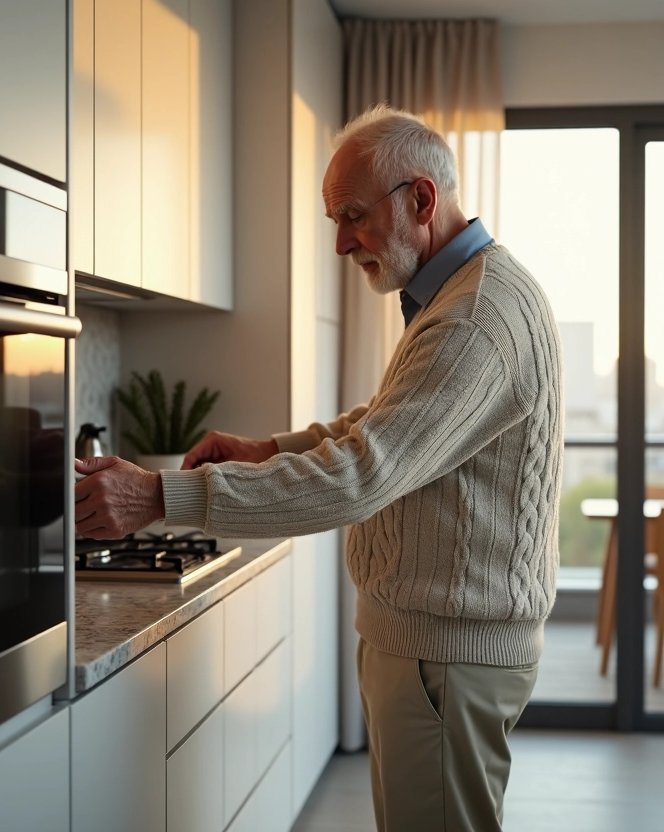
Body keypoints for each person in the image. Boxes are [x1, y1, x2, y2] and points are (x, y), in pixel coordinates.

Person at [74, 104, 563, 832]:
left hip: (443, 658)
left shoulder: (473, 319)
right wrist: (269, 450)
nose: (341, 243)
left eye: (353, 216)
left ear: (421, 200)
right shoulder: (461, 298)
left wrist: (158, 494)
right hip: (436, 650)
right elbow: (387, 424)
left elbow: (363, 475)